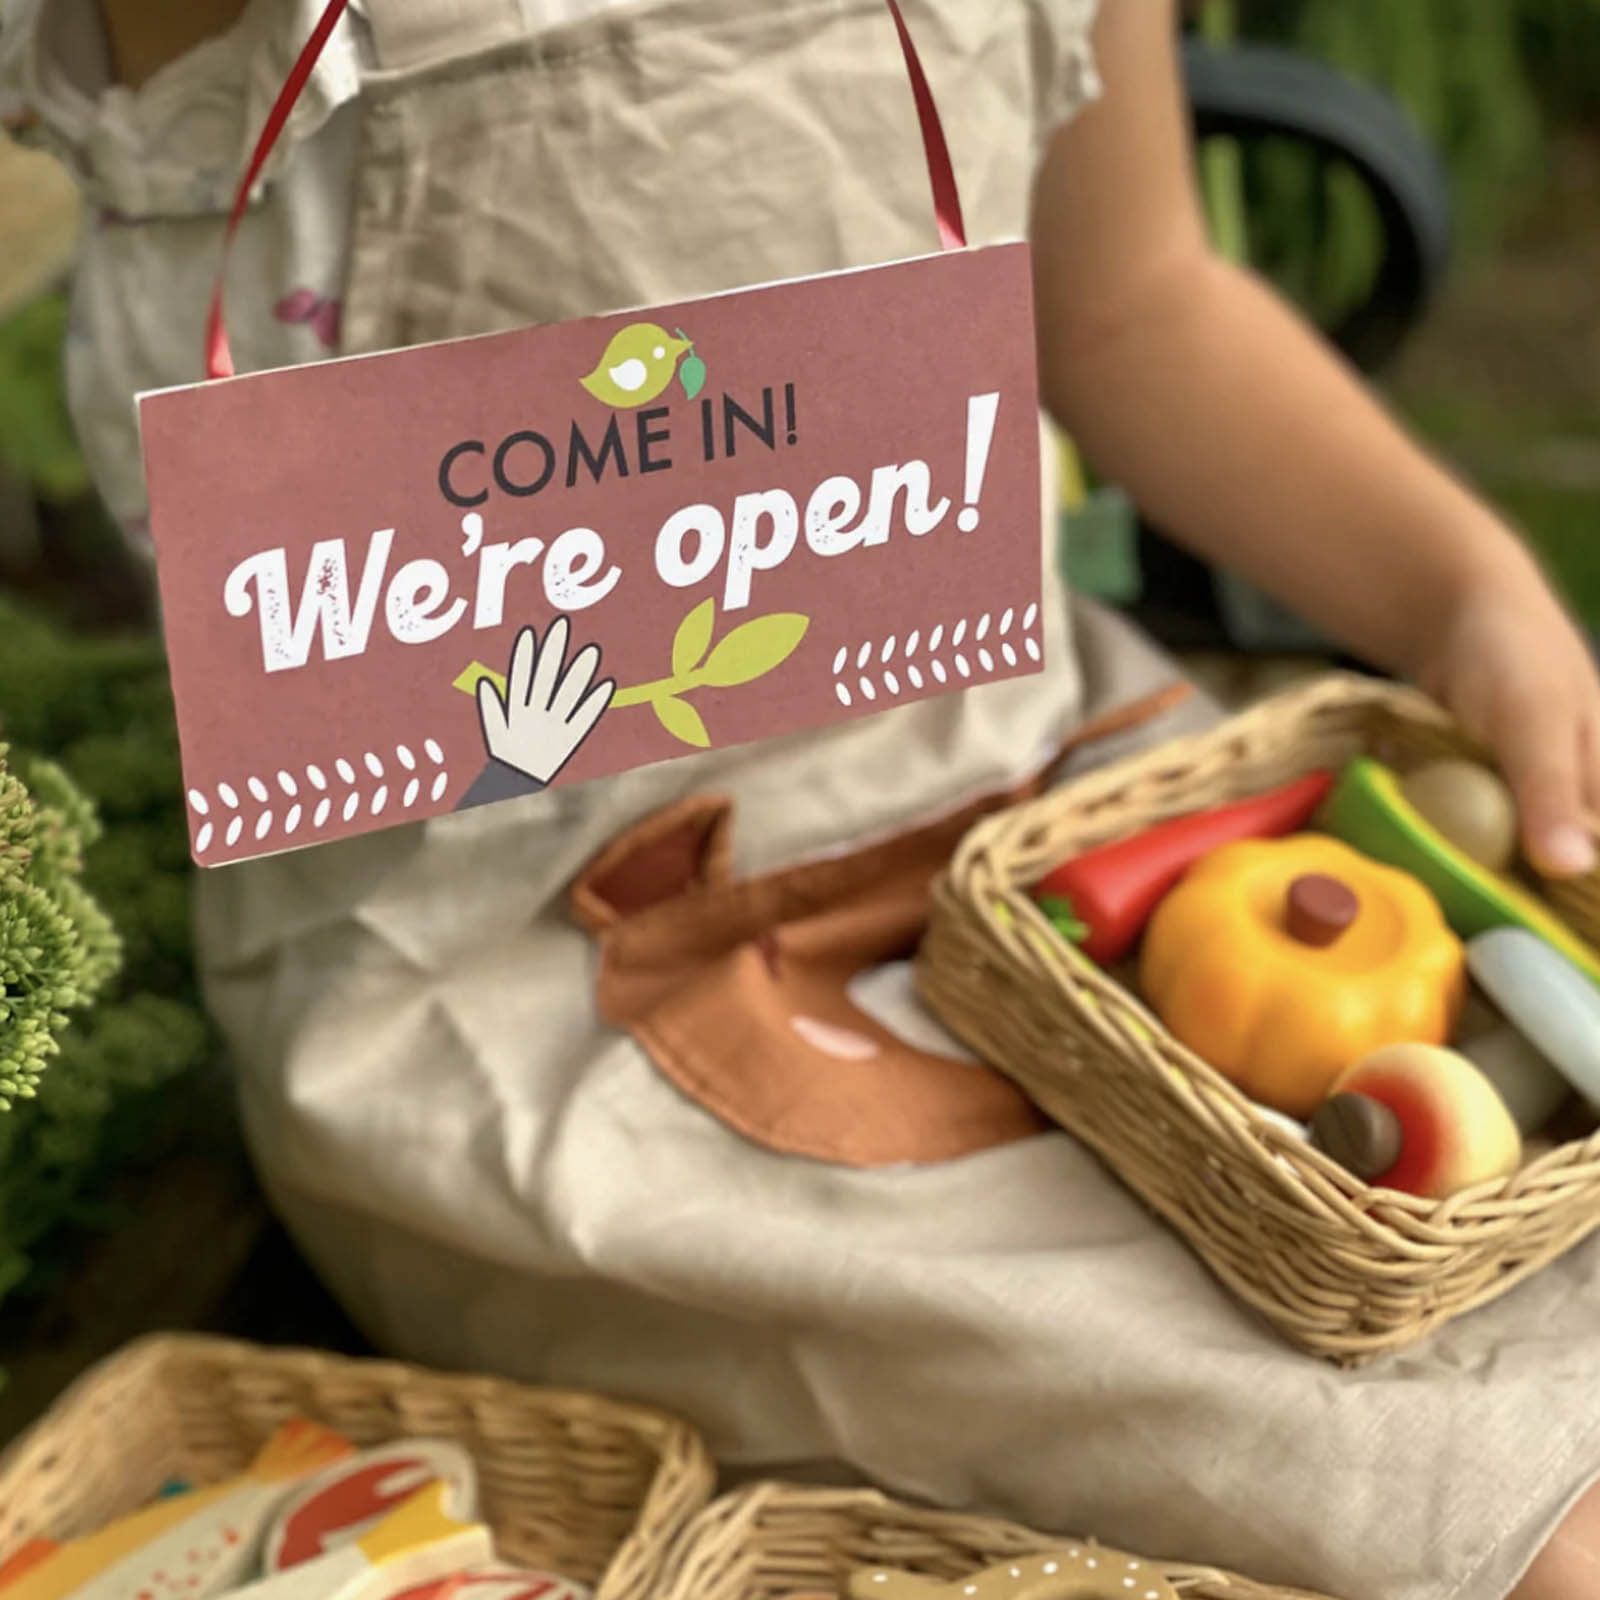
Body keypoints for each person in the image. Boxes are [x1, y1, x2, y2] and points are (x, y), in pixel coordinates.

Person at [5, 2, 1600, 1597]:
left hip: (1044, 800)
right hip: (524, 990)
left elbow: (1129, 306)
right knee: (1504, 1519)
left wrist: (1468, 600)